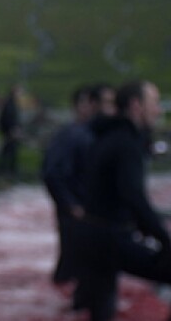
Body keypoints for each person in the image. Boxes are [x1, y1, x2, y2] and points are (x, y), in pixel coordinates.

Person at [73, 80, 171, 321]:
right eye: (154, 103)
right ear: (136, 105)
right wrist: (163, 238)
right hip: (110, 237)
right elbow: (133, 196)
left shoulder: (107, 135)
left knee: (102, 310)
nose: (158, 110)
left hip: (93, 234)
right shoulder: (126, 144)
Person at [41, 84, 114, 287]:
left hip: (88, 212)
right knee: (72, 267)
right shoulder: (71, 135)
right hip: (76, 213)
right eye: (105, 103)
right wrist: (71, 205)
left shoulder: (95, 134)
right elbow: (52, 174)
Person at [0, 83, 25, 180]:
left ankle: (8, 172)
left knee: (9, 152)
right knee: (9, 153)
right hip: (10, 132)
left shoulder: (12, 103)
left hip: (10, 131)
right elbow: (8, 118)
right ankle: (6, 173)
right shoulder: (10, 104)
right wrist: (12, 130)